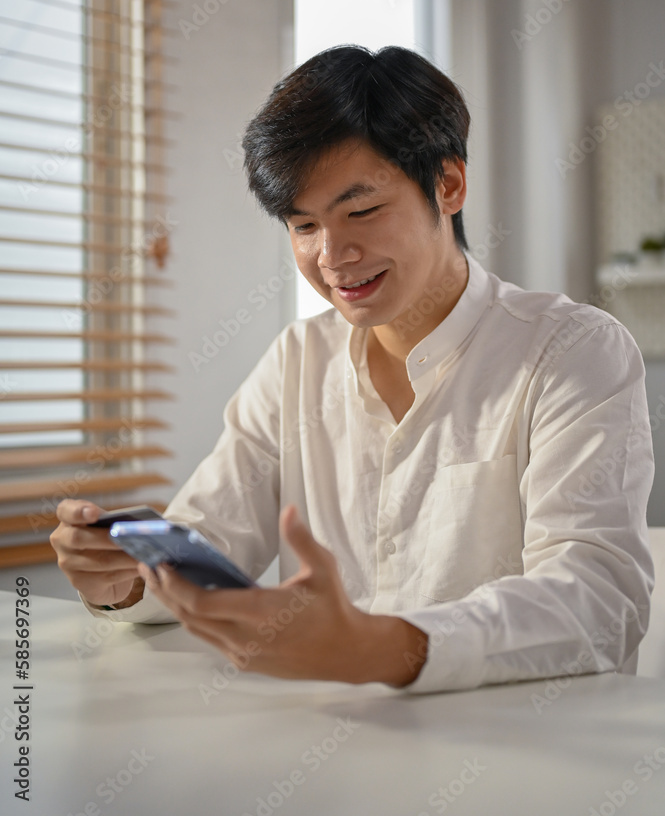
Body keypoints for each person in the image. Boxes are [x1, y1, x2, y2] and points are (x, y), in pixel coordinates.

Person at [51, 45, 655, 694]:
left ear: (448, 185)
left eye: (361, 212)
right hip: (336, 733)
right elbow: (210, 536)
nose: (332, 256)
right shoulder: (297, 360)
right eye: (303, 225)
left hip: (521, 746)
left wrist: (383, 647)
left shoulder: (572, 351)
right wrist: (124, 579)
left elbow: (596, 600)